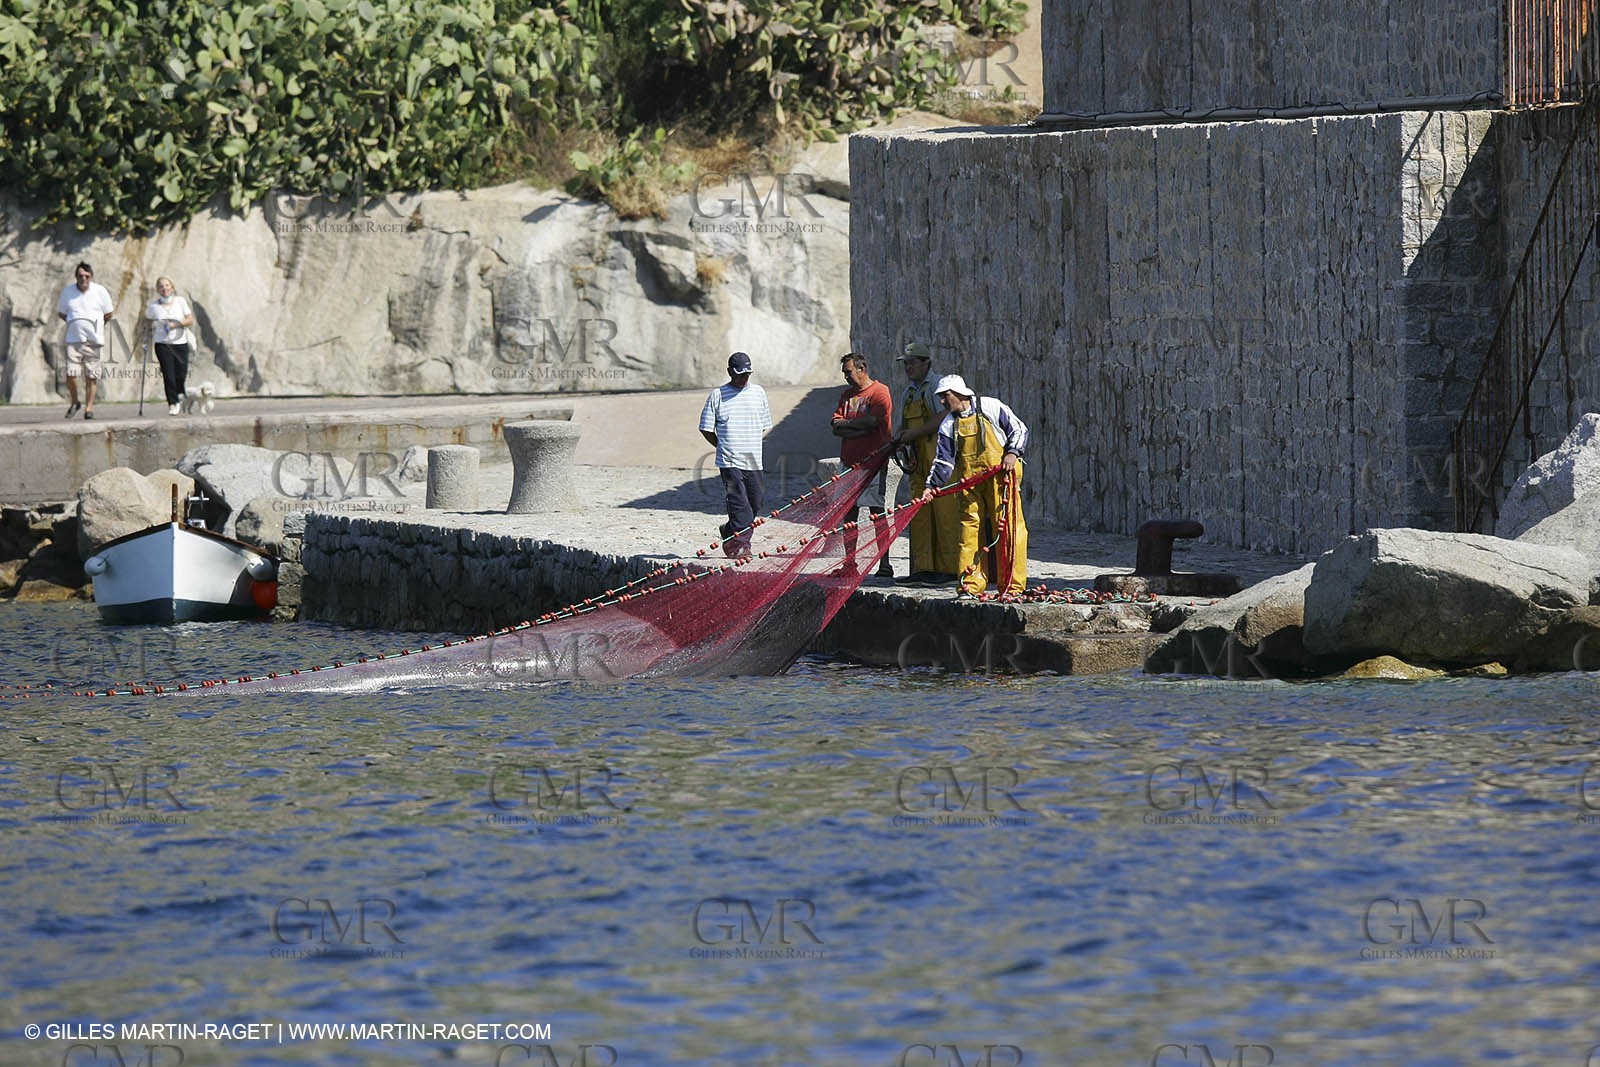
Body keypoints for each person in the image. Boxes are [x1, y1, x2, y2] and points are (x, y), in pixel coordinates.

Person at [917, 374, 1029, 599]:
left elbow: (1019, 429)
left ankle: (1012, 586)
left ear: (959, 394)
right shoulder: (949, 423)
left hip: (1001, 479)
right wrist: (932, 486)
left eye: (945, 396)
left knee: (1008, 527)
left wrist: (1012, 453)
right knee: (968, 531)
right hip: (970, 483)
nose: (942, 402)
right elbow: (944, 460)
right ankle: (969, 585)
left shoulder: (990, 406)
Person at [890, 341, 960, 585]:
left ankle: (950, 568)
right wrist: (900, 439)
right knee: (919, 513)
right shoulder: (908, 392)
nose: (908, 367)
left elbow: (944, 417)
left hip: (939, 456)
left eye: (912, 362)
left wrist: (915, 434)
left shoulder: (937, 386)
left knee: (944, 511)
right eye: (906, 363)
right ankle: (922, 567)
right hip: (917, 459)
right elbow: (903, 425)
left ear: (926, 363)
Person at [699, 351, 772, 558]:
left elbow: (764, 425)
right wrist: (722, 446)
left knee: (756, 501)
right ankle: (741, 546)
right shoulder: (718, 395)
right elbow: (705, 428)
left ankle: (729, 530)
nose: (744, 378)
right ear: (729, 372)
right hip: (729, 460)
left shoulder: (759, 393)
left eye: (747, 374)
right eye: (740, 374)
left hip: (753, 459)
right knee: (738, 501)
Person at [830, 352, 894, 579]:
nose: (846, 376)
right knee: (849, 515)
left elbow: (873, 423)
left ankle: (884, 564)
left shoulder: (879, 392)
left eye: (848, 372)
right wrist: (857, 426)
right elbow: (836, 426)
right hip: (849, 463)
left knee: (877, 513)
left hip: (873, 463)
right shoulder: (846, 395)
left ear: (861, 368)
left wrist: (849, 426)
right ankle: (850, 564)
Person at [56, 261, 114, 420]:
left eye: (86, 276)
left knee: (91, 376)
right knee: (70, 375)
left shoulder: (100, 291)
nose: (83, 278)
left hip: (93, 341)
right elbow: (62, 313)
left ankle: (89, 409)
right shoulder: (68, 292)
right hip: (73, 341)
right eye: (80, 276)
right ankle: (75, 402)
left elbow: (108, 313)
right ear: (76, 277)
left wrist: (97, 327)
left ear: (91, 276)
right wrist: (75, 324)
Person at [145, 276, 196, 415]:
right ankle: (172, 403)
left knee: (181, 372)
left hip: (180, 342)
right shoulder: (153, 306)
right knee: (168, 374)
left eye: (167, 285)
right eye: (161, 286)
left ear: (172, 287)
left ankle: (180, 394)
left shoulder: (180, 301)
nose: (164, 288)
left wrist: (174, 325)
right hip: (162, 343)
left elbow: (190, 319)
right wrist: (146, 337)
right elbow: (148, 322)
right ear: (158, 289)